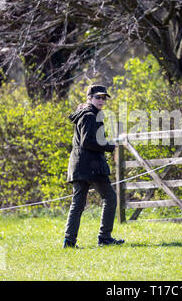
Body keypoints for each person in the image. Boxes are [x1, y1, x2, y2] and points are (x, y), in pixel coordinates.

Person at [63, 85, 124, 248]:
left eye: (104, 98)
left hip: (81, 164)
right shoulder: (89, 115)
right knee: (110, 197)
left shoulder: (88, 114)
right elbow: (87, 142)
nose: (101, 101)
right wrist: (110, 146)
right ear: (89, 98)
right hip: (90, 165)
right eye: (98, 97)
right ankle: (104, 237)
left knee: (78, 204)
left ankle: (69, 242)